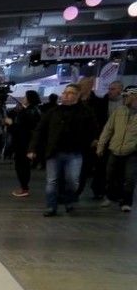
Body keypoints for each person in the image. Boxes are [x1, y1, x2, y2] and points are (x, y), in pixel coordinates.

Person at [28, 83, 99, 217]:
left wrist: (93, 141)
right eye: (64, 92)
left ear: (77, 95)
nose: (66, 95)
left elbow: (94, 129)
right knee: (52, 181)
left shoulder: (86, 112)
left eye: (70, 93)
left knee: (72, 181)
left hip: (75, 153)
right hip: (54, 152)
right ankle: (51, 206)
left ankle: (69, 200)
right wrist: (32, 148)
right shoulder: (53, 112)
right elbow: (39, 130)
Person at [96, 85, 137, 213]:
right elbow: (108, 129)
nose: (124, 98)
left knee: (129, 178)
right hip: (115, 149)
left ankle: (126, 202)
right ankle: (110, 197)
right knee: (110, 175)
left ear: (133, 96)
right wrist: (101, 145)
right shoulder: (119, 111)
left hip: (132, 151)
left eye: (126, 96)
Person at [9, 90, 42, 198]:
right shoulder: (36, 110)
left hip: (22, 143)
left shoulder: (28, 112)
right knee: (24, 166)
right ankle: (24, 187)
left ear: (29, 99)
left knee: (21, 166)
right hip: (28, 143)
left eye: (25, 96)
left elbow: (20, 129)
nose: (23, 98)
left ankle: (24, 188)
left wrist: (11, 124)